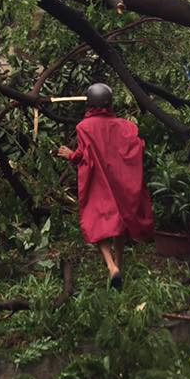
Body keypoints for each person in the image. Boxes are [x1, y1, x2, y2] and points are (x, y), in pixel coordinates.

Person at [57, 83, 154, 289]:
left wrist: (70, 155)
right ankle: (119, 263)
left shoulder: (84, 127)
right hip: (120, 181)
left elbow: (84, 156)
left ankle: (111, 266)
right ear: (110, 103)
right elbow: (138, 146)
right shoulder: (126, 126)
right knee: (119, 223)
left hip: (97, 183)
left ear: (90, 103)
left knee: (96, 223)